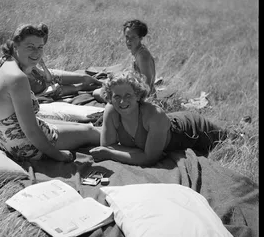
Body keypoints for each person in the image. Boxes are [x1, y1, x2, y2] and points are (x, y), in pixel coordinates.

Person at [0, 23, 101, 163]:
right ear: (16, 46)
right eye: (30, 47)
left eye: (40, 47)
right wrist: (58, 155)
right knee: (90, 133)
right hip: (25, 146)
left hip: (8, 138)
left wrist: (83, 78)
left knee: (81, 126)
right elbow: (31, 131)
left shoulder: (8, 61)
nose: (36, 52)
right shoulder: (17, 78)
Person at [89, 71, 228, 167]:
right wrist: (139, 154)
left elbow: (150, 159)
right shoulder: (111, 110)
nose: (122, 101)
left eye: (128, 96)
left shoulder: (154, 116)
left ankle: (240, 129)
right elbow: (107, 146)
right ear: (110, 97)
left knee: (229, 138)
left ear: (137, 95)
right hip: (170, 123)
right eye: (117, 96)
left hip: (193, 129)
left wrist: (112, 154)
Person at [0, 36, 102, 101]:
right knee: (81, 87)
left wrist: (43, 67)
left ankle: (102, 83)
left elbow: (46, 76)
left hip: (49, 78)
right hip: (48, 91)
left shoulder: (26, 63)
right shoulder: (12, 73)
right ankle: (100, 87)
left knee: (83, 77)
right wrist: (43, 96)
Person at [93, 19, 156, 102]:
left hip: (141, 97)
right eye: (127, 37)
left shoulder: (142, 56)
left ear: (140, 38)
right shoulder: (136, 51)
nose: (128, 41)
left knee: (97, 93)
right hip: (133, 91)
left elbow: (147, 85)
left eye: (133, 37)